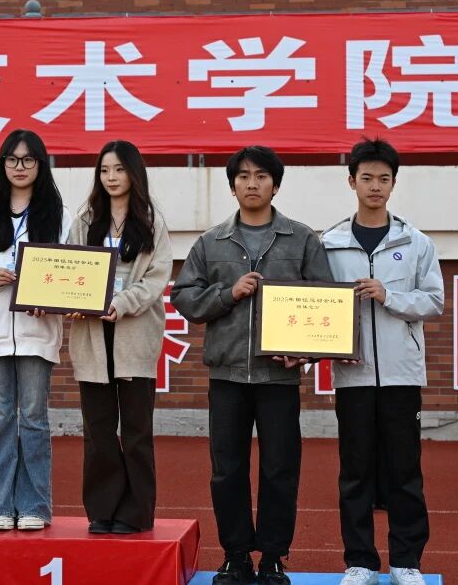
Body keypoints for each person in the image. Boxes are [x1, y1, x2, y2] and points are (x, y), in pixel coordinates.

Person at [172, 145, 333, 585]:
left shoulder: (302, 239)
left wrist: (306, 352)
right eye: (243, 176)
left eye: (261, 176)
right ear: (232, 186)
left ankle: (274, 557)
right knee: (227, 470)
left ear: (275, 185)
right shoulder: (212, 241)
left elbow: (327, 305)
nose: (252, 183)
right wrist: (228, 293)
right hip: (227, 376)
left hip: (278, 377)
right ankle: (236, 555)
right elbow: (184, 296)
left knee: (280, 469)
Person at [321, 139, 444, 585]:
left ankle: (406, 562)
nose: (375, 186)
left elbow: (434, 301)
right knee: (354, 472)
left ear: (394, 184)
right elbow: (316, 304)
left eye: (384, 179)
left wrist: (388, 296)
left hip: (401, 375)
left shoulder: (415, 242)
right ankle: (360, 562)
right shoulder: (329, 243)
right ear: (351, 182)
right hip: (352, 375)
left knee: (404, 471)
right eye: (367, 178)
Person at [0, 129, 71, 532]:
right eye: (12, 159)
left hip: (38, 331)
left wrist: (50, 298)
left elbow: (68, 268)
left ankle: (35, 505)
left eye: (28, 159)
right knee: (0, 417)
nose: (20, 167)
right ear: (2, 164)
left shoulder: (56, 212)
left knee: (34, 417)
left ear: (40, 164)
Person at [67, 141, 173, 535]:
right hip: (92, 337)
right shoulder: (85, 221)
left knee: (136, 432)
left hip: (134, 336)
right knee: (98, 431)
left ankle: (135, 512)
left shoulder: (152, 222)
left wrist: (121, 303)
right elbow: (70, 272)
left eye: (119, 169)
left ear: (133, 173)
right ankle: (103, 510)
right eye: (104, 170)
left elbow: (156, 278)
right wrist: (70, 301)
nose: (111, 178)